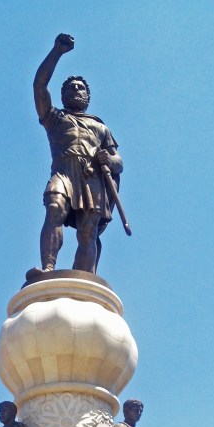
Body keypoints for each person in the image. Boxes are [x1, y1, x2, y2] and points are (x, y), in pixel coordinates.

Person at [30, 33, 123, 276]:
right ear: (63, 96)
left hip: (91, 176)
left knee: (87, 230)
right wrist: (56, 52)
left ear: (88, 97)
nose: (76, 90)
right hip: (63, 171)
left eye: (80, 88)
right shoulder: (55, 118)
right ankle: (47, 269)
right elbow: (39, 86)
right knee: (54, 208)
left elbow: (118, 163)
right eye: (70, 88)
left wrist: (109, 160)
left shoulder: (101, 127)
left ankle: (83, 278)